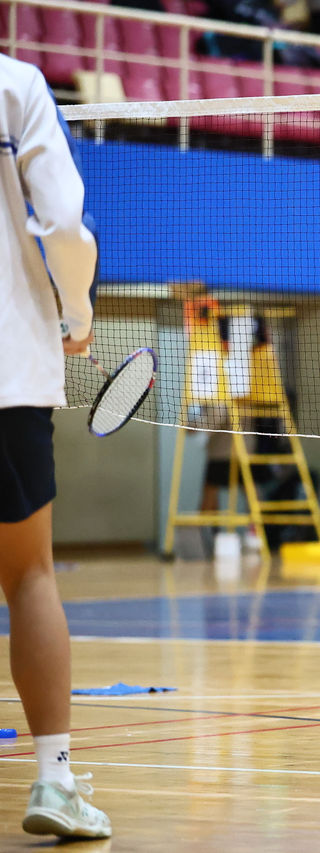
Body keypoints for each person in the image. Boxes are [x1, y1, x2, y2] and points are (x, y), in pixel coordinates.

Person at [0, 53, 112, 837]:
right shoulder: (16, 86)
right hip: (8, 367)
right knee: (29, 574)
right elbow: (64, 221)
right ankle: (55, 780)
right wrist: (77, 310)